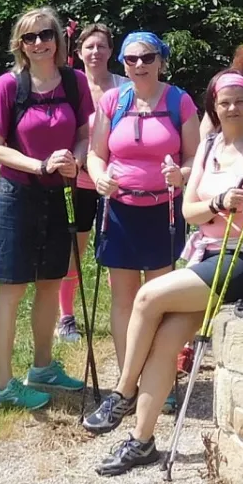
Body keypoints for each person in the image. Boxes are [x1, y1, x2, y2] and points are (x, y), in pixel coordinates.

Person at [82, 70, 243, 476]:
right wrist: (219, 201)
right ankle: (142, 441)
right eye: (225, 102)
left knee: (147, 296)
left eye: (240, 101)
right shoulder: (208, 146)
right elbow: (189, 211)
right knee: (165, 340)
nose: (232, 108)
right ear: (213, 106)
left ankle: (123, 392)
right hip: (208, 255)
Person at [0, 7, 92, 409]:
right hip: (18, 195)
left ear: (58, 39)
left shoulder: (75, 81)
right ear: (20, 44)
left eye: (46, 34)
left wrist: (75, 160)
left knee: (50, 282)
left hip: (60, 194)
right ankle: (4, 384)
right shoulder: (9, 85)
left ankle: (43, 367)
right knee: (12, 288)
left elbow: (85, 133)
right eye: (29, 37)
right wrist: (39, 165)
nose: (39, 43)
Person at [86, 31, 200, 369]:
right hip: (118, 210)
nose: (139, 64)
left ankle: (156, 375)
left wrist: (181, 174)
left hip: (163, 211)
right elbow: (95, 154)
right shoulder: (113, 101)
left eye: (148, 57)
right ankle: (128, 376)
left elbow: (195, 156)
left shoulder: (179, 101)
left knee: (158, 299)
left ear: (161, 61)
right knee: (123, 300)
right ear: (123, 63)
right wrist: (99, 177)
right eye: (131, 58)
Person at [57, 23, 129, 343]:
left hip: (116, 182)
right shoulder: (69, 86)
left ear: (111, 51)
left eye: (102, 46)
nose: (96, 52)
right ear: (79, 51)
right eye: (89, 47)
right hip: (79, 181)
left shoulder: (126, 86)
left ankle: (123, 313)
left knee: (117, 250)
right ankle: (66, 316)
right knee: (75, 248)